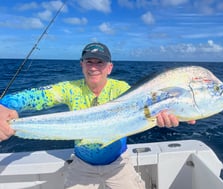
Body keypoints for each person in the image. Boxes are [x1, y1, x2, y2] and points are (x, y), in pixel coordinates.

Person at [0, 42, 195, 189]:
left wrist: (179, 113)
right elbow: (34, 97)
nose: (94, 67)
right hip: (82, 165)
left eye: (99, 62)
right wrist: (4, 105)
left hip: (119, 164)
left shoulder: (124, 90)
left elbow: (154, 104)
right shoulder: (70, 89)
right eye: (89, 62)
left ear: (109, 67)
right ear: (82, 65)